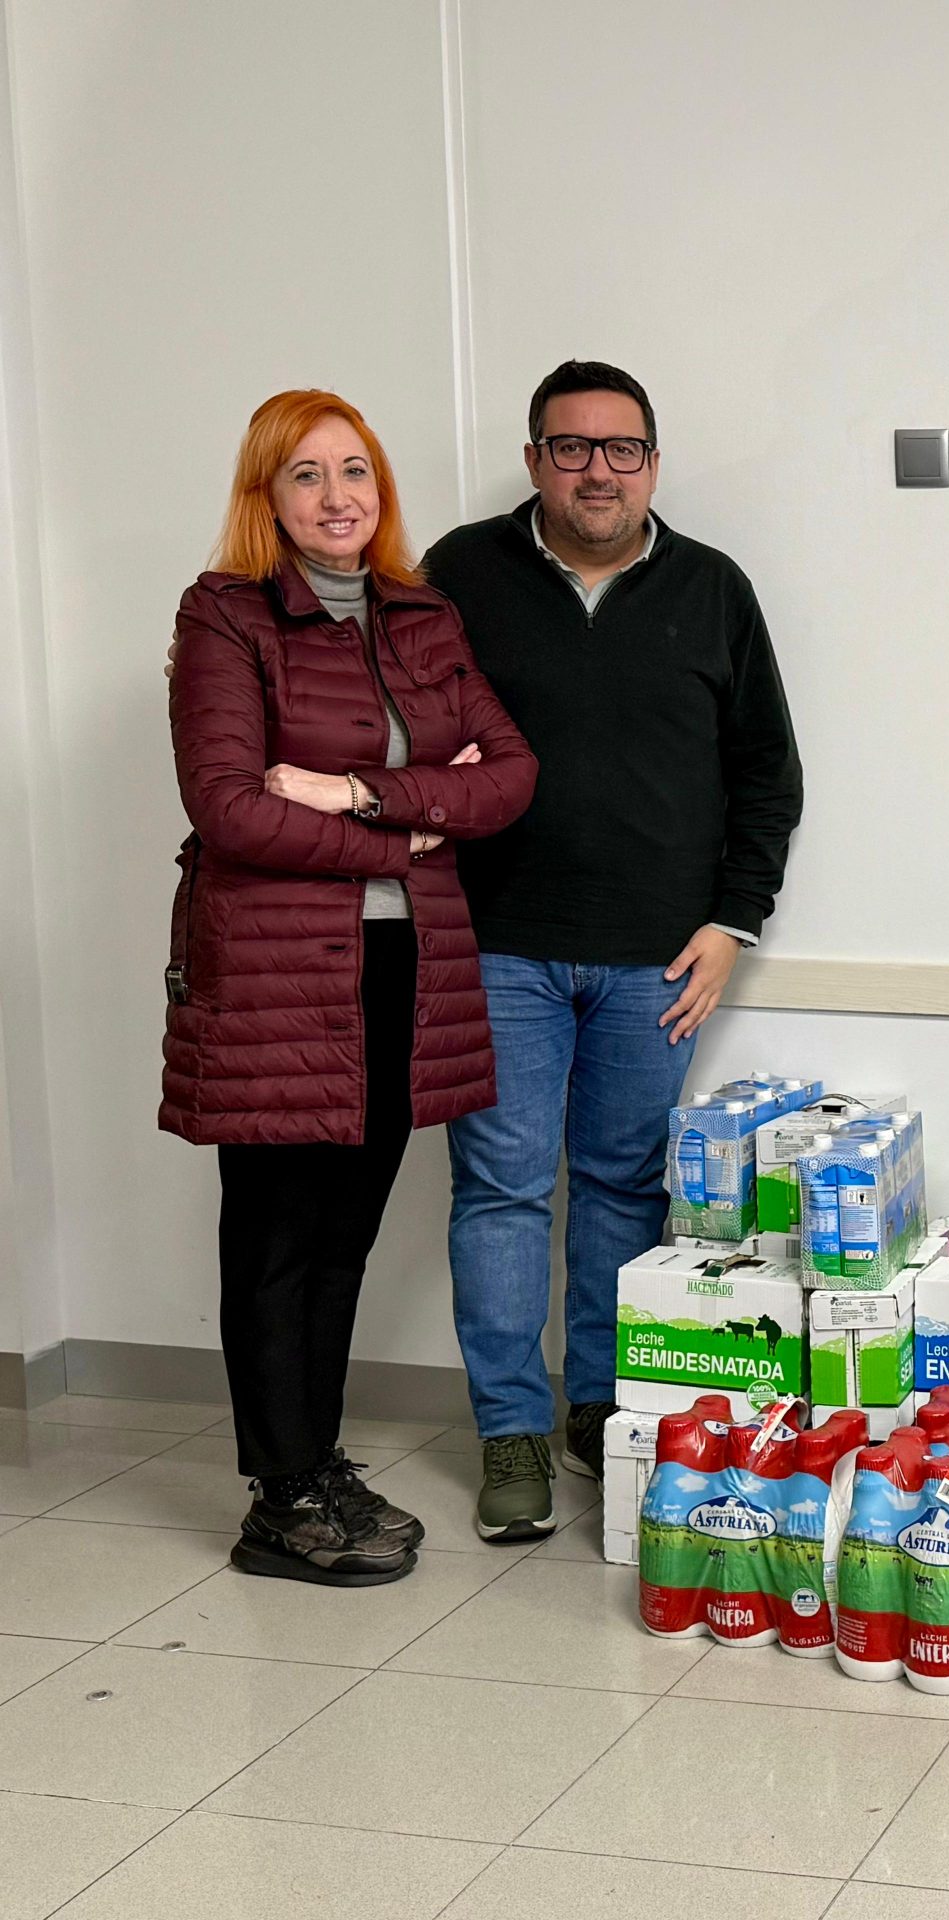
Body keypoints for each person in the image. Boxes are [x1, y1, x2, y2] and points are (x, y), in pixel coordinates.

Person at [424, 361, 804, 1540]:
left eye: (622, 449)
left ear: (653, 460)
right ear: (535, 459)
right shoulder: (459, 575)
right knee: (498, 1192)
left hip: (657, 961)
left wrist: (731, 923)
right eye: (572, 447)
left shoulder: (712, 588)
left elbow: (765, 775)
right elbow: (407, 734)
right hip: (499, 951)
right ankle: (509, 1435)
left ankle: (601, 1412)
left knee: (621, 1189)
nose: (598, 470)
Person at [163, 390, 536, 1584]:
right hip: (276, 976)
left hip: (401, 968)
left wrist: (353, 793)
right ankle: (279, 1498)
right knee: (276, 1237)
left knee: (346, 1234)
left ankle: (314, 1461)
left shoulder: (420, 616)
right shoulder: (225, 617)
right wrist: (414, 827)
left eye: (356, 473)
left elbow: (513, 774)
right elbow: (227, 807)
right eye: (308, 476)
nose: (338, 499)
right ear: (265, 497)